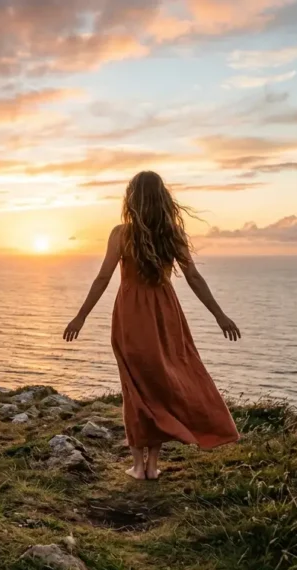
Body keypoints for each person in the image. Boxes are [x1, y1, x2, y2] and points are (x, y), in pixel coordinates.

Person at [63, 171, 241, 481]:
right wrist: (219, 315)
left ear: (131, 199)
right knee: (160, 384)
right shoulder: (173, 235)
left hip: (131, 315)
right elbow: (194, 278)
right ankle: (153, 465)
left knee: (134, 386)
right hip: (165, 315)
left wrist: (81, 317)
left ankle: (138, 465)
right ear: (164, 199)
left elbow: (103, 278)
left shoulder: (121, 233)